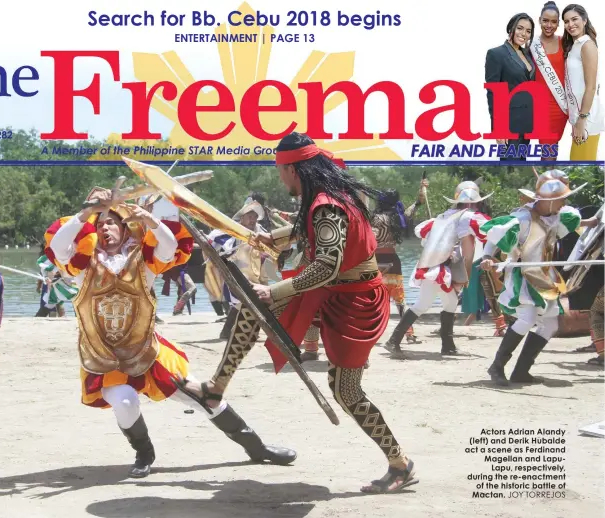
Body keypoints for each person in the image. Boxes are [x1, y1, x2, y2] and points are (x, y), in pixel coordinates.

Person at [172, 132, 417, 494]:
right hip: (334, 293)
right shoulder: (328, 196)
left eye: (280, 170)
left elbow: (327, 265)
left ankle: (400, 463)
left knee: (346, 391)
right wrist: (278, 238)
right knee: (253, 308)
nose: (279, 177)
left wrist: (274, 289)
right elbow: (312, 229)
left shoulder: (326, 205)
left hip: (356, 304)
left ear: (292, 168)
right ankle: (215, 387)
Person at [44, 187, 295, 478]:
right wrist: (88, 211)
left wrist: (149, 219)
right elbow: (60, 246)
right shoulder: (82, 267)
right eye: (100, 224)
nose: (105, 228)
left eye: (112, 222)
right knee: (124, 401)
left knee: (204, 397)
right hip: (104, 357)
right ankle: (144, 451)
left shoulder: (143, 262)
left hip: (146, 351)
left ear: (126, 230)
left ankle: (257, 448)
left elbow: (166, 246)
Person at [480, 170, 598, 385]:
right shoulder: (522, 218)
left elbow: (581, 224)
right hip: (523, 275)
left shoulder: (557, 216)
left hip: (544, 275)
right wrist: (487, 256)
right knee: (527, 318)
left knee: (551, 325)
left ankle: (521, 371)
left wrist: (598, 223)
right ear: (551, 201)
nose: (565, 202)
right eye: (562, 198)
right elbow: (496, 234)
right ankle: (497, 366)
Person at [384, 182, 491, 357]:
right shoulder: (469, 217)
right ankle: (393, 341)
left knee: (450, 303)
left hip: (437, 266)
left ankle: (447, 346)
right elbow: (489, 232)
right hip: (439, 269)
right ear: (473, 203)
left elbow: (422, 232)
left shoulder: (443, 217)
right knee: (422, 304)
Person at [208, 197, 278, 340]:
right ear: (242, 218)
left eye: (255, 217)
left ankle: (229, 332)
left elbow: (271, 246)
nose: (252, 220)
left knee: (258, 299)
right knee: (244, 300)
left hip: (258, 271)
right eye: (249, 216)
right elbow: (217, 245)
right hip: (238, 271)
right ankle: (266, 331)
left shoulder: (259, 230)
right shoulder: (233, 231)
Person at [371, 180, 428, 345]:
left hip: (376, 261)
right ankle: (409, 333)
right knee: (400, 300)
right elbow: (411, 209)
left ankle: (372, 334)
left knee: (374, 300)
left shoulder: (376, 218)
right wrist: (418, 200)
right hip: (393, 260)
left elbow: (371, 238)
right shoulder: (399, 217)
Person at [486, 13, 537, 160]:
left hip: (526, 123)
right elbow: (493, 93)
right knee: (510, 167)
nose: (524, 34)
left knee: (521, 165)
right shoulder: (496, 54)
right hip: (509, 124)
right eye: (520, 28)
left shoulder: (527, 55)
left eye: (528, 31)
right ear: (511, 28)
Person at [563, 4, 604, 159]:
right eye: (566, 21)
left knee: (582, 162)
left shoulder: (587, 45)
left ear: (585, 20)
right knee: (576, 160)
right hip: (579, 116)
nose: (570, 24)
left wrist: (582, 120)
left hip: (587, 118)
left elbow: (591, 87)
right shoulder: (575, 46)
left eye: (574, 19)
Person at [531, 2, 569, 160]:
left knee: (553, 149)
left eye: (554, 22)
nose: (549, 25)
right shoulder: (530, 45)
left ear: (559, 23)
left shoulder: (565, 43)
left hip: (562, 105)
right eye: (545, 20)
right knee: (547, 152)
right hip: (540, 106)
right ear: (539, 20)